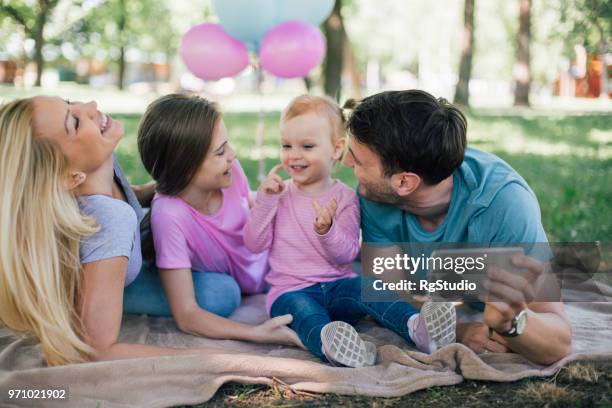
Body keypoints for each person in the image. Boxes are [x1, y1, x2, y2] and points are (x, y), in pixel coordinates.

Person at [0, 96, 299, 366]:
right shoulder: (110, 222)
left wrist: (186, 177)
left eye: (70, 103)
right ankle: (84, 301)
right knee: (219, 294)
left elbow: (138, 194)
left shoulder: (100, 162)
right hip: (99, 276)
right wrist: (215, 355)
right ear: (72, 175)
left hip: (119, 253)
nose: (90, 105)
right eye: (75, 121)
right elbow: (97, 348)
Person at [342, 89, 572, 365]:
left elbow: (558, 339)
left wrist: (511, 323)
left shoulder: (504, 206)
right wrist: (458, 330)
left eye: (356, 159)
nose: (345, 162)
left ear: (404, 182)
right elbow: (394, 294)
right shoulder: (373, 195)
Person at [244, 95, 457, 368]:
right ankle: (332, 346)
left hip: (337, 287)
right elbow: (253, 244)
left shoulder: (345, 198)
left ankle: (418, 327)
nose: (293, 155)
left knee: (370, 288)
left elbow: (346, 255)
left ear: (336, 149)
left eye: (307, 146)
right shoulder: (278, 195)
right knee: (305, 313)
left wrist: (327, 230)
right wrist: (265, 202)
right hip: (290, 291)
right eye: (286, 145)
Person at [134, 93, 302, 347]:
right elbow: (187, 315)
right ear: (186, 166)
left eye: (228, 145)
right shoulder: (170, 216)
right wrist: (257, 333)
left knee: (334, 247)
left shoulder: (230, 172)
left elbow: (248, 209)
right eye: (221, 151)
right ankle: (125, 290)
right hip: (231, 280)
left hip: (261, 267)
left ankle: (384, 288)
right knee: (222, 295)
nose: (233, 155)